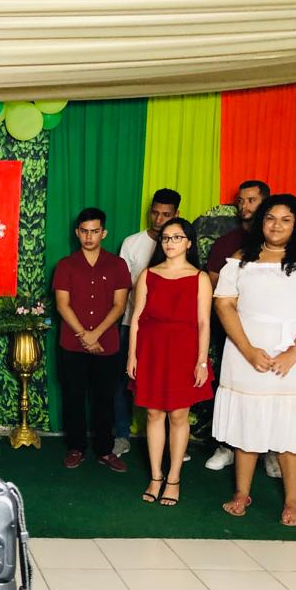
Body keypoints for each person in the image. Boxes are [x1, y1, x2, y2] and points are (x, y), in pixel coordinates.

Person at [214, 194, 296, 527]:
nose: (276, 225)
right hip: (247, 352)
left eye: (286, 219)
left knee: (291, 427)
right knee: (247, 423)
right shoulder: (241, 259)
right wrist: (248, 349)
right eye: (270, 218)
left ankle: (293, 500)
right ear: (261, 221)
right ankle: (242, 493)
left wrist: (293, 352)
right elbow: (224, 304)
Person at [127, 218, 213, 506]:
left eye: (177, 237)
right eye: (166, 237)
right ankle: (156, 476)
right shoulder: (148, 275)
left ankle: (174, 478)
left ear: (189, 243)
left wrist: (201, 361)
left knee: (178, 416)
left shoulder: (200, 278)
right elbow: (137, 319)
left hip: (184, 352)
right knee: (153, 414)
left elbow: (204, 322)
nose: (170, 242)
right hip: (152, 350)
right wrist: (132, 355)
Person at [203, 180, 277, 473]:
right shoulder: (226, 242)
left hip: (271, 330)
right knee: (230, 385)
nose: (244, 206)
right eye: (241, 201)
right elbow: (213, 284)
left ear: (265, 202)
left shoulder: (280, 243)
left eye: (251, 200)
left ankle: (270, 449)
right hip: (231, 329)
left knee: (270, 387)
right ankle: (227, 446)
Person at [53, 207, 132, 473]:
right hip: (71, 344)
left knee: (104, 398)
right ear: (77, 233)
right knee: (73, 396)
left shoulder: (117, 265)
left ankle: (105, 450)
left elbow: (120, 305)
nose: (89, 237)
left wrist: (95, 334)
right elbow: (62, 305)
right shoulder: (65, 265)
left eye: (94, 231)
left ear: (103, 233)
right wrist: (84, 335)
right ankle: (75, 448)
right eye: (84, 231)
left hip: (106, 343)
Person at [114, 188, 182, 457]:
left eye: (165, 214)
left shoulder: (179, 244)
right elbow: (122, 286)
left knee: (165, 383)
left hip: (167, 330)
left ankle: (168, 441)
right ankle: (121, 435)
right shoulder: (132, 243)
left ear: (176, 214)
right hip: (131, 323)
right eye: (155, 212)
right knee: (123, 381)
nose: (158, 219)